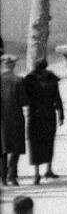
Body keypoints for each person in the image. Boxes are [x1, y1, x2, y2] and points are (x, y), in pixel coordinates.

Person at [20, 59, 61, 183]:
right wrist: (61, 114)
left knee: (34, 143)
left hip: (34, 115)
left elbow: (24, 98)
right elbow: (57, 98)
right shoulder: (52, 79)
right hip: (49, 114)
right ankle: (48, 169)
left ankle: (36, 173)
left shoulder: (29, 79)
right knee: (49, 141)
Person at [0, 56, 23, 186]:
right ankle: (12, 176)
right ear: (13, 65)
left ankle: (3, 177)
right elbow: (25, 101)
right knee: (15, 148)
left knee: (2, 149)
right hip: (16, 118)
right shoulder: (19, 80)